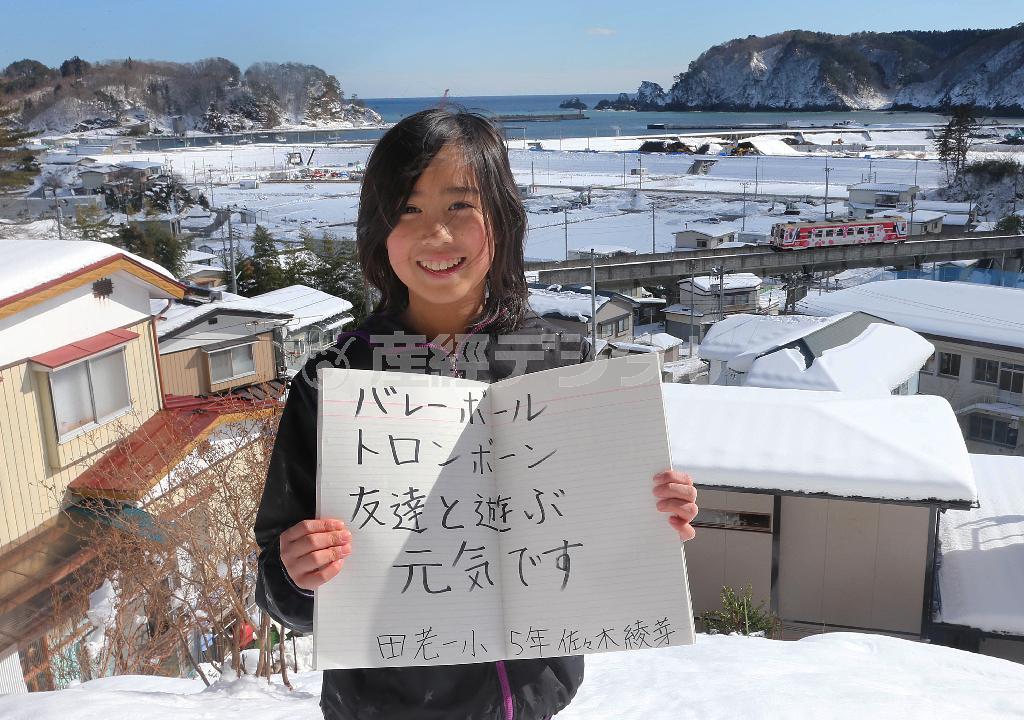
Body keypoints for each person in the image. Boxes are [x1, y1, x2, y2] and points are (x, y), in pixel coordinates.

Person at [254, 109, 699, 720]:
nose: (436, 235)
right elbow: (278, 584)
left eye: (461, 206)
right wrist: (298, 573)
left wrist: (648, 516)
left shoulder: (564, 362)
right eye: (408, 210)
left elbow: (595, 525)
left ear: (503, 220)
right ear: (379, 231)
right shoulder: (333, 381)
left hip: (531, 703)